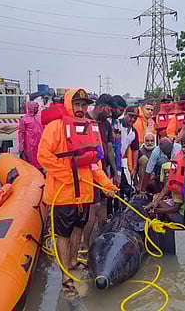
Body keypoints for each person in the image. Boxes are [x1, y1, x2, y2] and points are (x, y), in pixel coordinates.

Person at [37, 88, 118, 296]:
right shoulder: (55, 128)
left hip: (85, 194)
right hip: (62, 194)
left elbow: (95, 164)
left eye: (84, 105)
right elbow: (43, 156)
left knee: (79, 229)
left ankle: (73, 262)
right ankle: (65, 274)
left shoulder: (91, 128)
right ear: (68, 105)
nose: (81, 109)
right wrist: (67, 175)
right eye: (77, 105)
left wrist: (107, 186)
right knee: (62, 234)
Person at [81, 94, 118, 251]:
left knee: (103, 203)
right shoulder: (84, 120)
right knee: (92, 207)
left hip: (102, 170)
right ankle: (84, 245)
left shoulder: (106, 125)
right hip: (88, 171)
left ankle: (101, 239)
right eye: (109, 110)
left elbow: (109, 149)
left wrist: (115, 172)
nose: (111, 114)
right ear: (102, 106)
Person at [116, 106, 140, 208]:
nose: (133, 119)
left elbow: (135, 150)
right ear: (125, 114)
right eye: (130, 116)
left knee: (122, 185)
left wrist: (134, 168)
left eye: (135, 117)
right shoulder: (116, 125)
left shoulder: (134, 132)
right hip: (111, 160)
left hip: (119, 161)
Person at [18, 101, 44, 171]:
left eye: (37, 108)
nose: (37, 109)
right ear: (31, 108)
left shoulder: (40, 117)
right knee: (31, 162)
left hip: (40, 143)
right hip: (30, 145)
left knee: (41, 159)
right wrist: (21, 146)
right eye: (36, 108)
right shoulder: (24, 119)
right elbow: (21, 133)